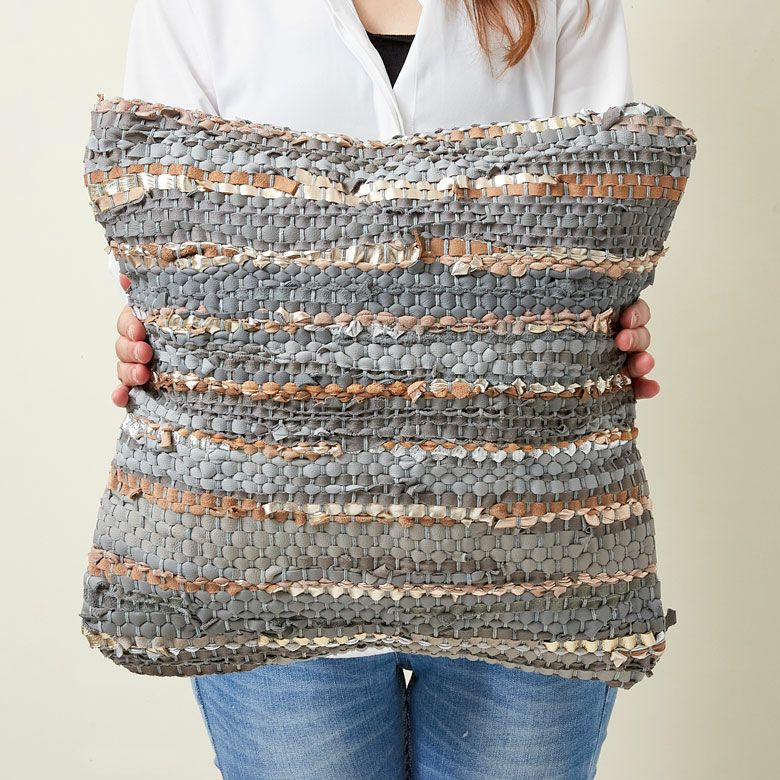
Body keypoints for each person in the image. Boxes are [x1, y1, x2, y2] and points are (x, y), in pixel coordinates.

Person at [109, 2, 658, 778]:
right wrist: (148, 326)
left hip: (529, 552)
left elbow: (599, 215)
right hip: (268, 557)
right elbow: (157, 236)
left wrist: (608, 313)